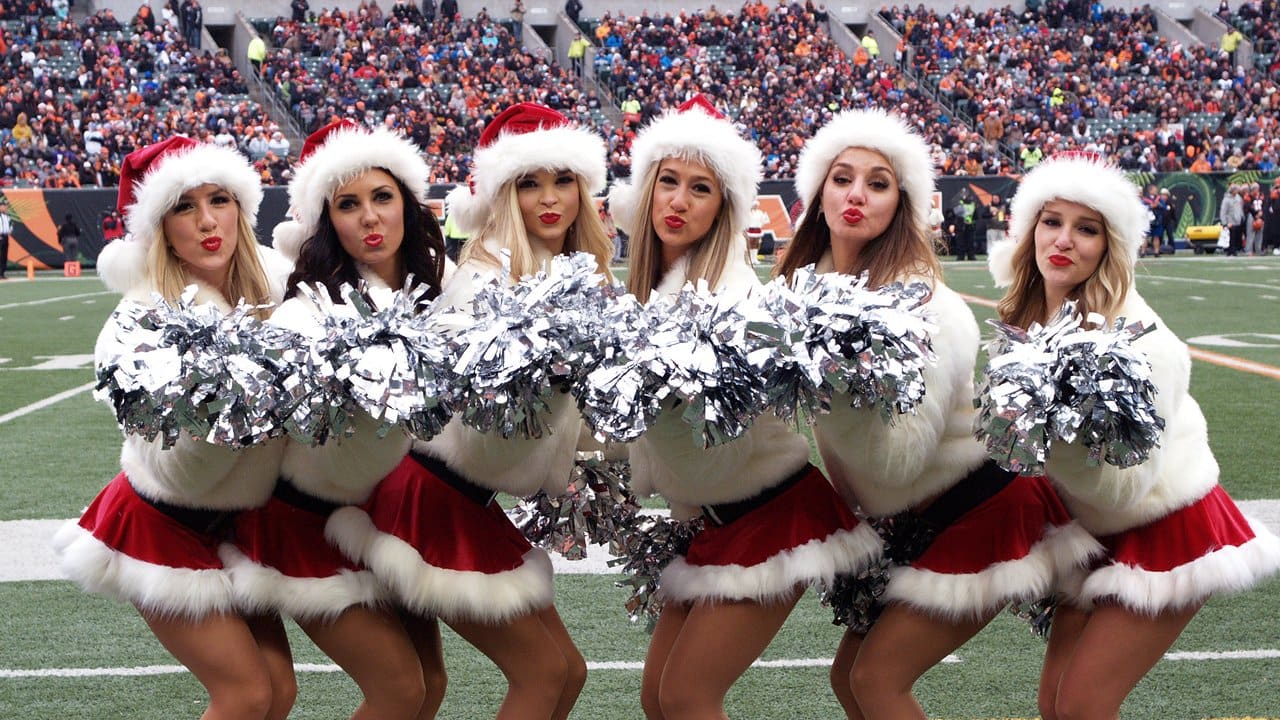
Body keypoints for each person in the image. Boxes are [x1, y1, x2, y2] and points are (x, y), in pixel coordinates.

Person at [776, 109, 1097, 719]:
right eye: (842, 178)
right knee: (850, 678)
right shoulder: (803, 288)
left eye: (878, 183)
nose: (856, 195)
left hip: (980, 505)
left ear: (902, 203)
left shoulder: (925, 303)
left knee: (875, 681)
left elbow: (902, 457)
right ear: (817, 192)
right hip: (913, 519)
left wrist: (836, 373)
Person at [333, 103, 614, 720]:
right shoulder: (486, 276)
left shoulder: (562, 273)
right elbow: (486, 414)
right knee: (541, 675)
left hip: (467, 500)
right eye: (528, 183)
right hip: (431, 498)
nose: (549, 199)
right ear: (501, 195)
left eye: (563, 180)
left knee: (564, 671)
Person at [609, 95, 881, 720]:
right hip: (713, 519)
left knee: (685, 697)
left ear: (724, 207)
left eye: (700, 188)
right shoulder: (652, 289)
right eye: (668, 182)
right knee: (659, 698)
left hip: (771, 514)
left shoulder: (730, 292)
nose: (678, 201)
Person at [989, 153, 1280, 720]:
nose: (1064, 240)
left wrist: (1052, 430)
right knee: (1055, 707)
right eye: (1051, 222)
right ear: (1028, 232)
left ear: (1109, 246)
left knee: (1082, 706)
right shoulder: (1029, 323)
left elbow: (1126, 486)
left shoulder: (1142, 342)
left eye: (1086, 228)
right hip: (1093, 533)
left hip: (1167, 528)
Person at [52, 136, 297, 720]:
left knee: (279, 692)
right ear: (159, 227)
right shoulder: (136, 320)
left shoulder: (275, 288)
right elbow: (170, 454)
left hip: (232, 521)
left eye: (220, 199)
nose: (208, 221)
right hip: (163, 521)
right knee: (246, 694)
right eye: (184, 207)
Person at [230, 120, 451, 720]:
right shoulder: (309, 308)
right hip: (301, 519)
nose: (369, 217)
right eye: (348, 205)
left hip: (379, 520)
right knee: (399, 690)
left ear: (407, 202)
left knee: (429, 685)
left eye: (382, 197)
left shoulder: (437, 284)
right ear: (327, 221)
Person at [1220, 183, 1245, 256]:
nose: (1237, 191)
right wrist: (1224, 222)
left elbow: (1240, 207)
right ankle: (1231, 250)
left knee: (1237, 236)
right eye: (1236, 190)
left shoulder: (1238, 198)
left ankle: (1235, 249)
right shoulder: (1226, 199)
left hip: (1238, 220)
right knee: (1231, 236)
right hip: (1230, 220)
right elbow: (1223, 211)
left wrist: (1242, 216)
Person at [745, 198, 769, 265]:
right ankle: (749, 259)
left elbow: (763, 221)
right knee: (750, 244)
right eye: (754, 205)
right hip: (750, 230)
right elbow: (746, 222)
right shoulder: (748, 213)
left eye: (756, 205)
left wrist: (765, 216)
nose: (755, 206)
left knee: (756, 245)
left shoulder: (760, 212)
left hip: (758, 230)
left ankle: (754, 259)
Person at [0, 199, 11, 279]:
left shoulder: (7, 215)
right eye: (5, 205)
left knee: (4, 255)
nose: (6, 207)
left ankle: (2, 273)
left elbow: (10, 226)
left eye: (7, 206)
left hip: (6, 236)